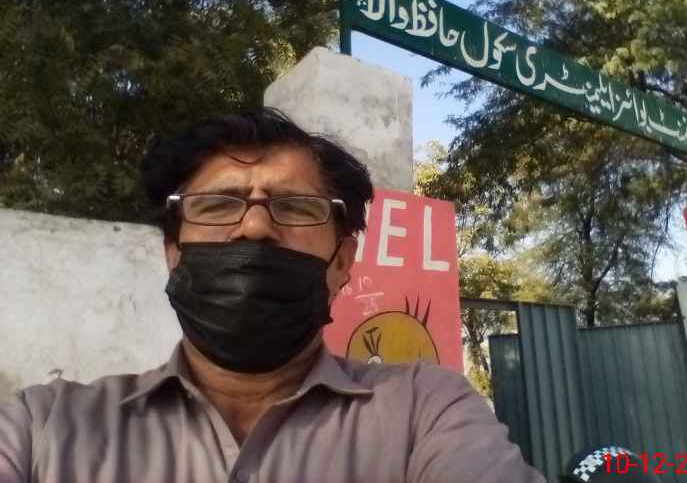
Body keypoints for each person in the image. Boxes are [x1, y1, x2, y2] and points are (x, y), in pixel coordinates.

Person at [0, 107, 545, 483]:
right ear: (173, 252)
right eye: (218, 205)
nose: (256, 227)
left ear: (342, 262)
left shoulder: (426, 413)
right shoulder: (40, 427)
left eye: (295, 207)